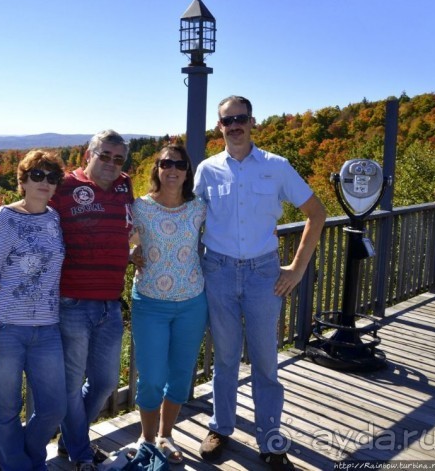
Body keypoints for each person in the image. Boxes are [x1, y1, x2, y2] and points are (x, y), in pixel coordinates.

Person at [194, 96, 326, 471]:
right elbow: (188, 218)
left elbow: (316, 213)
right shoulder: (207, 170)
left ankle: (270, 438)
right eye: (227, 120)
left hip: (263, 274)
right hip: (218, 271)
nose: (234, 125)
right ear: (219, 126)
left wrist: (297, 268)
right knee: (225, 357)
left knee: (266, 360)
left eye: (240, 118)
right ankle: (221, 427)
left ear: (253, 122)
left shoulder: (276, 166)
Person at [0, 149, 68, 471]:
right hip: (4, 328)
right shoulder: (5, 218)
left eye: (51, 177)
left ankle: (27, 458)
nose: (45, 182)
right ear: (23, 180)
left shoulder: (54, 218)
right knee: (7, 410)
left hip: (47, 329)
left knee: (55, 407)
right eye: (37, 175)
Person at [49, 129, 134, 471]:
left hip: (111, 303)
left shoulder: (125, 185)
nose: (112, 163)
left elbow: (128, 226)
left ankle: (71, 442)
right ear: (88, 155)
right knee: (71, 385)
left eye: (119, 158)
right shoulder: (64, 186)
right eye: (105, 155)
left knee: (105, 382)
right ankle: (81, 454)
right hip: (72, 301)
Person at [128, 143, 208, 465]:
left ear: (187, 171)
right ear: (157, 169)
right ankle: (146, 438)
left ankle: (165, 435)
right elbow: (118, 239)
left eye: (179, 164)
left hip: (192, 303)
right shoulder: (140, 207)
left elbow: (228, 231)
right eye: (165, 163)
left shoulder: (199, 207)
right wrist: (130, 253)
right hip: (150, 303)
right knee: (151, 378)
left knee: (180, 376)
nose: (172, 169)